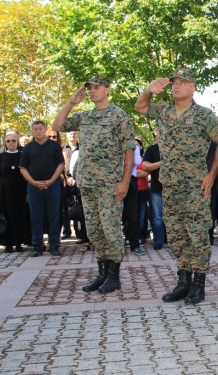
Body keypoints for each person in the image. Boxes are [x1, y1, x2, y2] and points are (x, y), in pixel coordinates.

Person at [135, 68, 218, 305]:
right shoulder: (163, 110)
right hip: (169, 186)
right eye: (174, 82)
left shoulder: (204, 115)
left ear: (192, 87)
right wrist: (148, 91)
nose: (176, 86)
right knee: (176, 235)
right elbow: (140, 107)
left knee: (197, 236)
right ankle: (183, 282)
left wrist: (212, 173)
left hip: (195, 186)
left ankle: (198, 285)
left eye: (182, 83)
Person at [52, 74, 136, 294]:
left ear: (107, 89)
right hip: (87, 183)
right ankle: (102, 273)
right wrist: (71, 102)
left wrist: (125, 181)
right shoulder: (85, 116)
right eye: (89, 87)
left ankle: (113, 276)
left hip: (110, 184)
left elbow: (129, 149)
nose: (92, 91)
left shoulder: (119, 116)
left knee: (110, 231)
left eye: (96, 87)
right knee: (95, 231)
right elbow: (57, 125)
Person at [20, 121, 65, 257]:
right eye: (35, 129)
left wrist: (51, 181)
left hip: (53, 186)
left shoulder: (54, 146)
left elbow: (61, 165)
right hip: (34, 187)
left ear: (45, 130)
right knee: (36, 218)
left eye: (40, 129)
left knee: (53, 216)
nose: (38, 131)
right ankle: (38, 246)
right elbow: (23, 168)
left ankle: (54, 246)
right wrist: (33, 182)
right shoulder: (28, 148)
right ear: (32, 131)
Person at [0, 133, 31, 253]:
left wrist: (28, 192)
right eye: (8, 141)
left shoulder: (23, 155)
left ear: (17, 142)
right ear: (5, 143)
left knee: (20, 215)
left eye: (13, 140)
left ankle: (19, 243)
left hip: (20, 190)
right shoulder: (1, 156)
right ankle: (8, 244)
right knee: (7, 215)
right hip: (4, 192)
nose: (11, 143)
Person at [142, 133, 165, 250]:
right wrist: (162, 163)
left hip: (174, 188)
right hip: (157, 188)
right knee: (157, 216)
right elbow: (145, 166)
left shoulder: (175, 147)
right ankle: (159, 241)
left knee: (175, 215)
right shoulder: (152, 149)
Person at [61, 131, 80, 240]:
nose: (72, 135)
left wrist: (74, 178)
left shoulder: (81, 147)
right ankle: (66, 231)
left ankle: (79, 232)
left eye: (74, 133)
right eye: (70, 133)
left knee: (77, 206)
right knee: (65, 207)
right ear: (66, 135)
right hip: (64, 180)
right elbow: (60, 165)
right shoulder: (63, 148)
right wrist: (66, 177)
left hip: (76, 180)